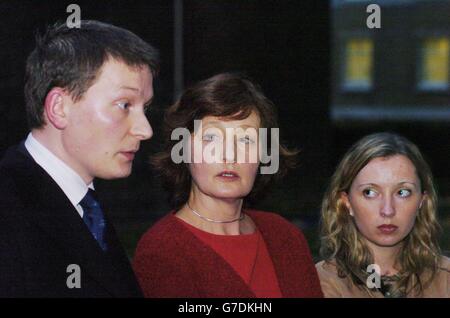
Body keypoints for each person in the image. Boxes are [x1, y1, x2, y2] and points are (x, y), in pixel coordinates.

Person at [0, 20, 159, 297]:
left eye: (144, 108)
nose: (145, 130)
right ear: (59, 108)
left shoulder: (88, 207)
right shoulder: (9, 211)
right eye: (124, 105)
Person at [133, 73, 323, 298]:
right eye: (212, 138)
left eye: (245, 140)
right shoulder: (160, 252)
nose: (229, 154)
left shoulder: (286, 238)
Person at [316, 132, 450, 298]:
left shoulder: (445, 279)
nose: (387, 210)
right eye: (370, 192)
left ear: (422, 201)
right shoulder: (319, 283)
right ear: (346, 201)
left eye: (402, 192)